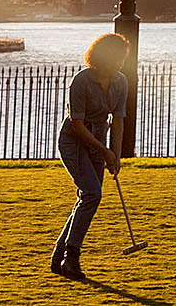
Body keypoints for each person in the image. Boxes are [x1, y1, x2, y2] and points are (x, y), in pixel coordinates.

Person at [50, 33, 128, 280]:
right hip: (74, 140)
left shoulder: (120, 81)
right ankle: (71, 258)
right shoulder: (81, 81)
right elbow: (77, 124)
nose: (119, 63)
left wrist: (115, 154)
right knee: (92, 194)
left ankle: (59, 254)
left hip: (99, 141)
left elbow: (118, 121)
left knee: (87, 197)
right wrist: (103, 151)